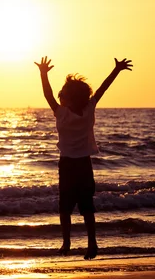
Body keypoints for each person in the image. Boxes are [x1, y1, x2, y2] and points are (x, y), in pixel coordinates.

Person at [35, 56, 133, 260]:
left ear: (68, 99)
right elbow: (103, 89)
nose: (60, 98)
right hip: (84, 165)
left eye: (63, 96)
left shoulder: (61, 113)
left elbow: (47, 94)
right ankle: (92, 243)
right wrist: (116, 70)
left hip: (68, 165)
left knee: (65, 207)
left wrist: (43, 74)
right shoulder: (89, 110)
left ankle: (66, 242)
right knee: (87, 207)